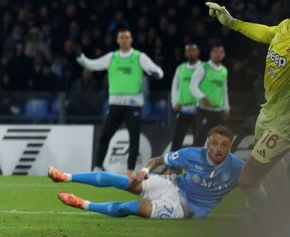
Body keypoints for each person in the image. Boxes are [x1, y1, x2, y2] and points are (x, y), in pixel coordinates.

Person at [205, 2, 290, 214]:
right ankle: (280, 216)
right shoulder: (285, 27)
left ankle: (262, 219)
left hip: (284, 122)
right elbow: (266, 33)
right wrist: (232, 23)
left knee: (247, 181)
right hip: (267, 112)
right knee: (272, 174)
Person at [51, 126, 243, 219]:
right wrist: (145, 169)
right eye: (214, 143)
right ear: (208, 143)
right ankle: (66, 177)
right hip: (171, 185)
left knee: (128, 207)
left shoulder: (237, 167)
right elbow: (157, 160)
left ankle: (83, 204)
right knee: (125, 182)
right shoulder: (192, 154)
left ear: (230, 146)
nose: (218, 149)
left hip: (180, 208)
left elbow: (253, 185)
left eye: (224, 145)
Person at [76, 28, 164, 175]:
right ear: (117, 40)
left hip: (133, 105)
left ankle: (129, 170)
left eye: (127, 37)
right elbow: (92, 65)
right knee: (105, 136)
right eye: (121, 37)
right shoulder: (112, 57)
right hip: (115, 105)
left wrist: (157, 74)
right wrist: (80, 58)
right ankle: (97, 167)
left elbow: (158, 70)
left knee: (134, 139)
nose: (124, 40)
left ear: (131, 40)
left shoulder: (139, 57)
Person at [189, 43, 229, 143]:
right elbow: (192, 85)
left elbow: (224, 90)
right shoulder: (203, 67)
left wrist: (226, 107)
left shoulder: (224, 70)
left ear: (224, 54)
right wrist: (202, 97)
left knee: (219, 141)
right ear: (211, 53)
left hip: (219, 112)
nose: (218, 54)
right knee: (200, 140)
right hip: (204, 111)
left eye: (221, 52)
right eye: (216, 52)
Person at [170, 43, 201, 151]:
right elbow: (175, 86)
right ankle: (172, 161)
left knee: (199, 142)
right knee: (177, 140)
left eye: (193, 50)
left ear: (198, 52)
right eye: (188, 50)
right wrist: (174, 103)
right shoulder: (181, 68)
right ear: (185, 53)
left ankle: (197, 162)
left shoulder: (204, 67)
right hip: (183, 110)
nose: (191, 53)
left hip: (199, 110)